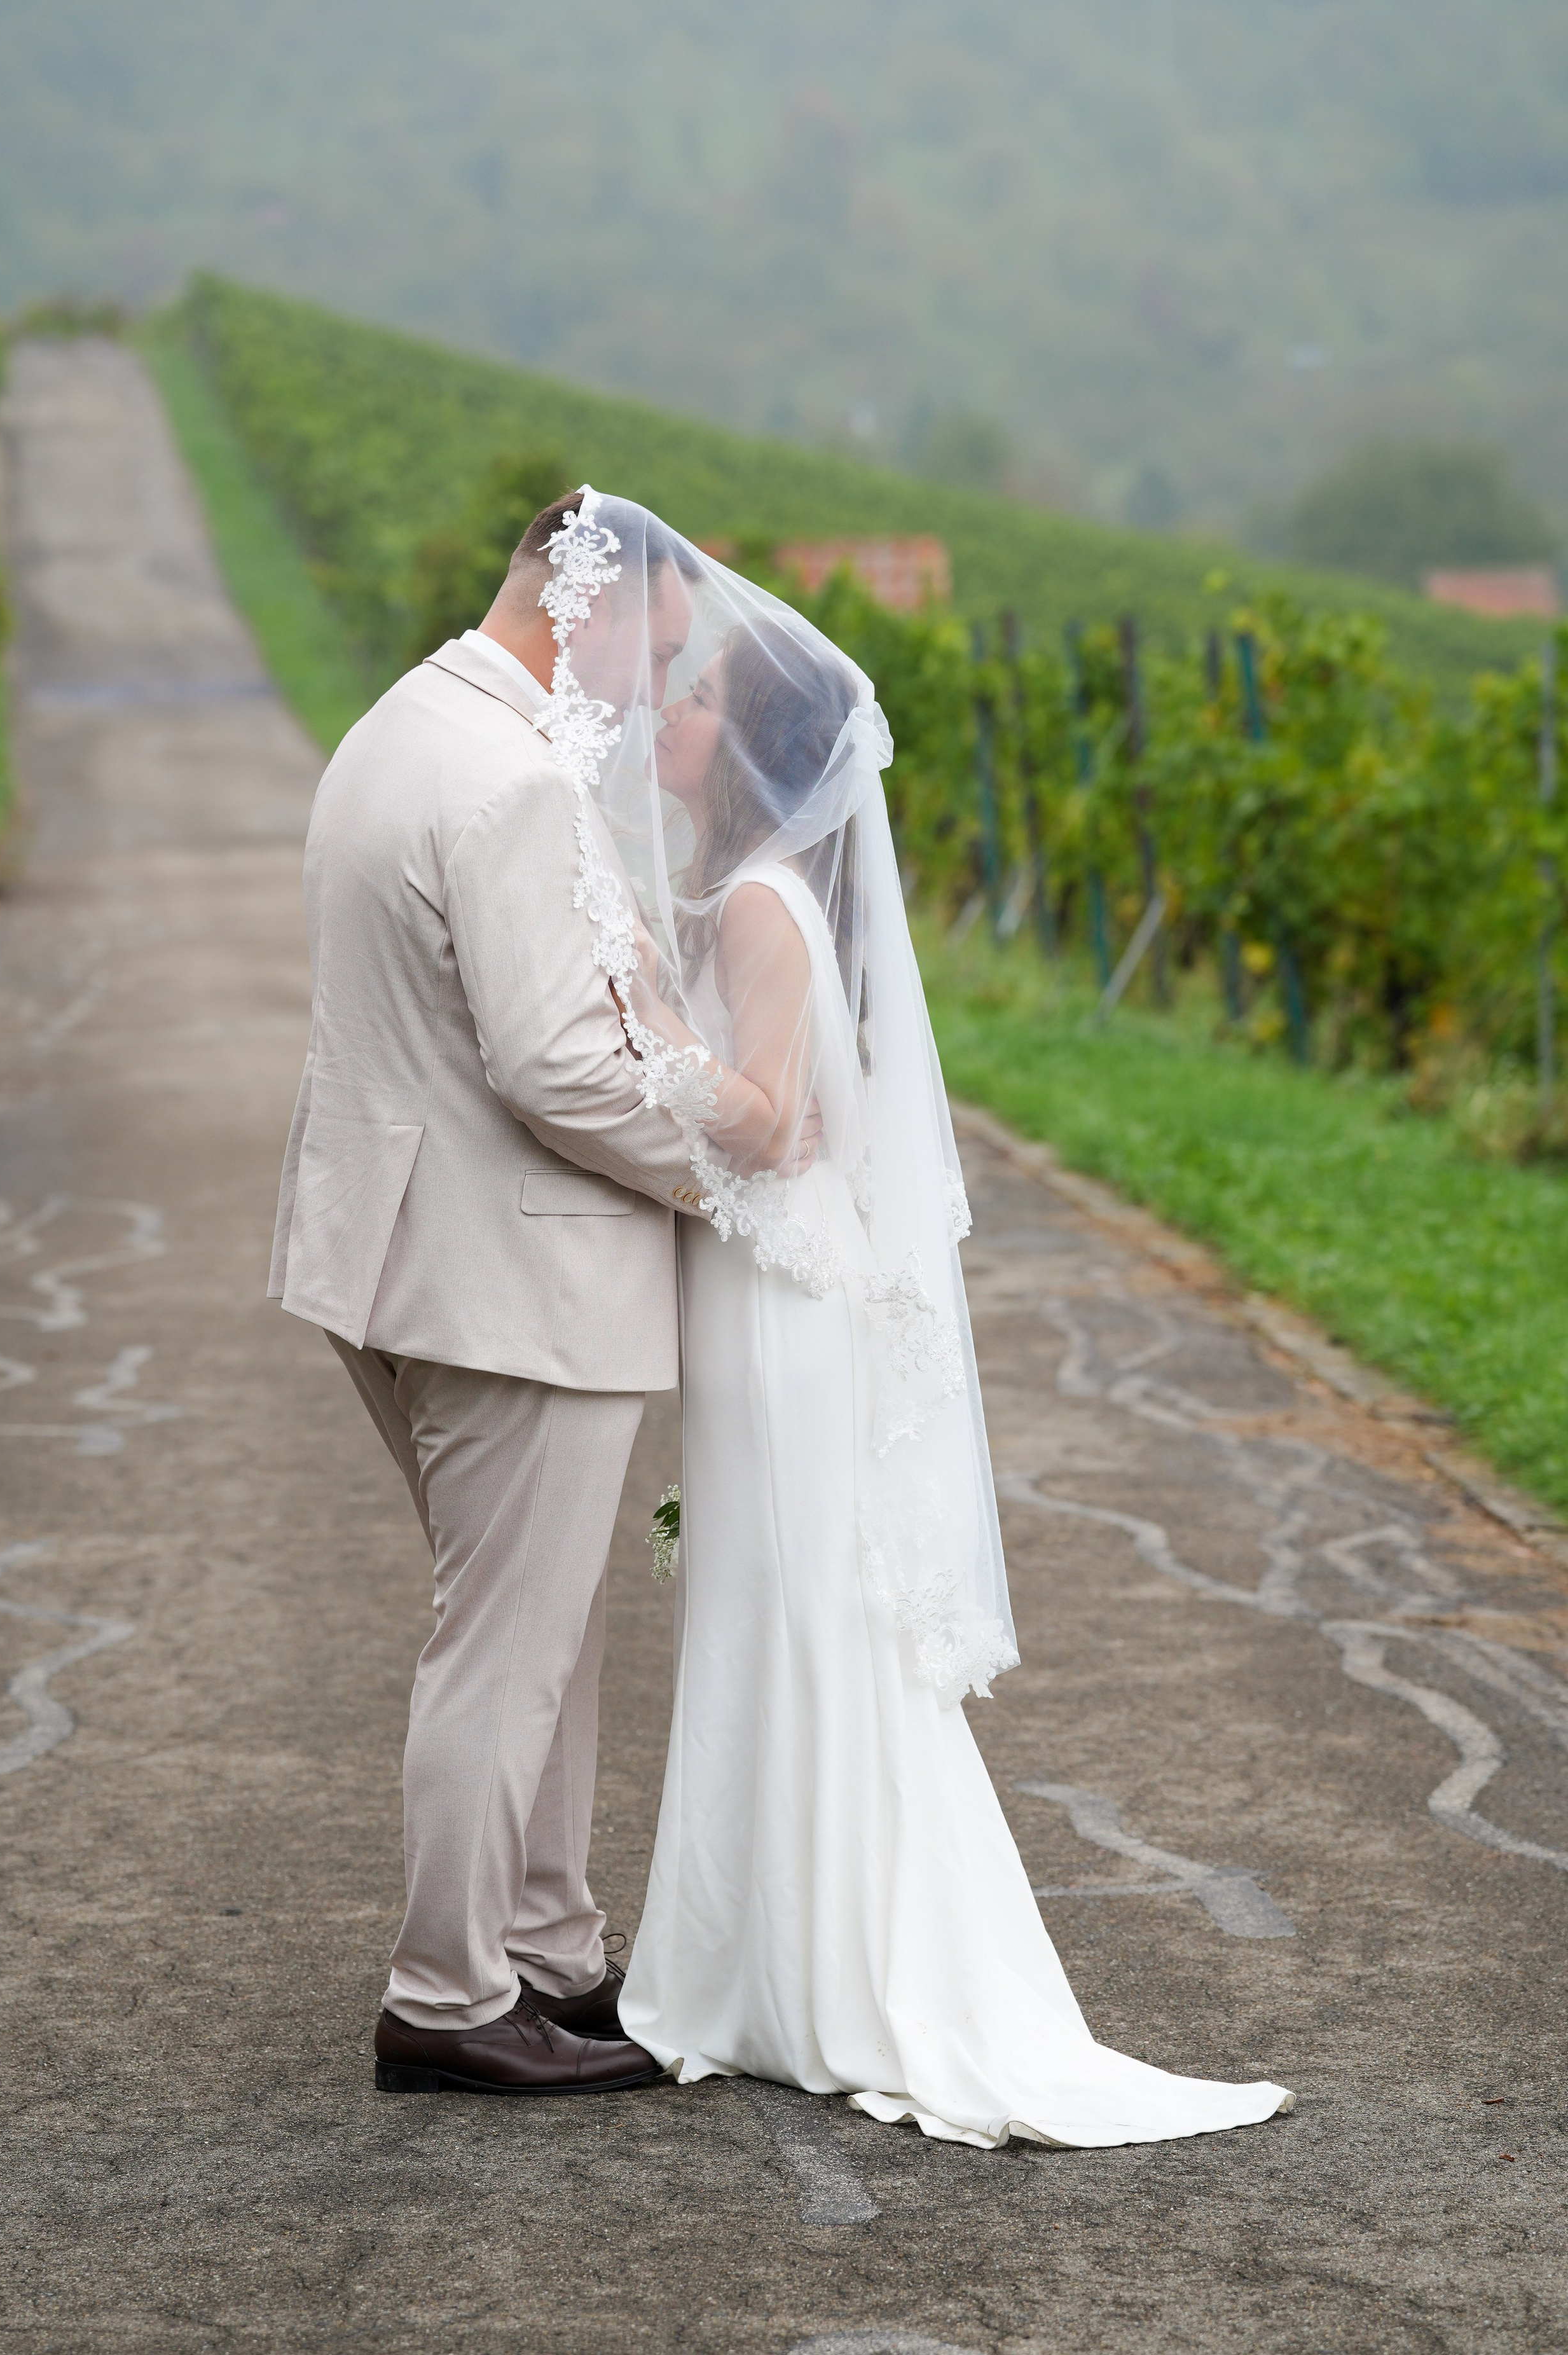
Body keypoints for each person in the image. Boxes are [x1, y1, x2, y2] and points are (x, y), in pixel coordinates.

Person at [542, 488, 1291, 2148]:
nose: (664, 722)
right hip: (786, 1289)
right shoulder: (767, 892)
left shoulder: (749, 905)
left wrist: (639, 1024)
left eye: (693, 705)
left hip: (782, 1290)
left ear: (751, 753)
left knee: (794, 1604)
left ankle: (797, 1973)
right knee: (784, 1603)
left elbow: (774, 1119)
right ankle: (771, 1965)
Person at [268, 492, 809, 2096]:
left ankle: (553, 1952)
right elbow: (558, 1063)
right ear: (580, 606)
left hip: (400, 1249)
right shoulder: (506, 781)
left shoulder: (399, 728)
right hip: (511, 1273)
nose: (656, 693)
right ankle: (444, 2000)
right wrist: (732, 1147)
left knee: (541, 1630)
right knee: (505, 1643)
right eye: (651, 652)